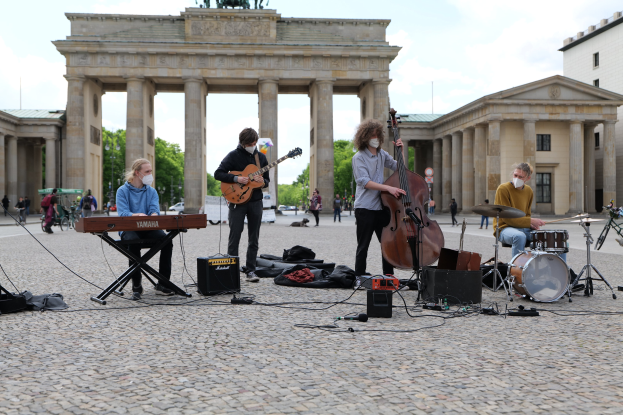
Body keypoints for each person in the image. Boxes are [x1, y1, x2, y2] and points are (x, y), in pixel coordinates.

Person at [352, 119, 406, 278]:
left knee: (387, 244)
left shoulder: (382, 154)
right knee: (363, 245)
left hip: (382, 208)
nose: (375, 138)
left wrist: (400, 150)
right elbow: (364, 182)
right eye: (372, 135)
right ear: (364, 137)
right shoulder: (359, 157)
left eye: (377, 135)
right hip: (365, 208)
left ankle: (389, 276)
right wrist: (388, 187)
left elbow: (400, 168)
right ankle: (359, 277)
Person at [214, 127, 270, 283]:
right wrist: (236, 179)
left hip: (256, 202)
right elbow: (218, 173)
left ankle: (251, 270)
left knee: (254, 238)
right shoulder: (233, 155)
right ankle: (231, 271)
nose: (253, 145)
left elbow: (267, 181)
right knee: (234, 237)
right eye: (250, 143)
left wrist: (262, 181)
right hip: (237, 202)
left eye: (254, 143)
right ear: (243, 143)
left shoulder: (261, 158)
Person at [117, 158, 174, 300]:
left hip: (147, 227)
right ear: (137, 173)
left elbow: (155, 210)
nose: (150, 174)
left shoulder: (152, 191)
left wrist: (154, 214)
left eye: (150, 171)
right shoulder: (122, 191)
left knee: (167, 240)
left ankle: (163, 283)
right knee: (133, 242)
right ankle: (136, 284)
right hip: (128, 228)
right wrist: (136, 214)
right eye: (147, 171)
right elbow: (123, 213)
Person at [493, 162, 565, 262]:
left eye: (521, 177)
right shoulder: (503, 189)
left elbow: (526, 215)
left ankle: (559, 272)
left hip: (523, 228)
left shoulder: (528, 191)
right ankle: (516, 271)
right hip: (504, 228)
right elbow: (507, 218)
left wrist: (532, 225)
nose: (517, 178)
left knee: (554, 238)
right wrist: (530, 221)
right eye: (515, 175)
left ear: (528, 178)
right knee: (519, 236)